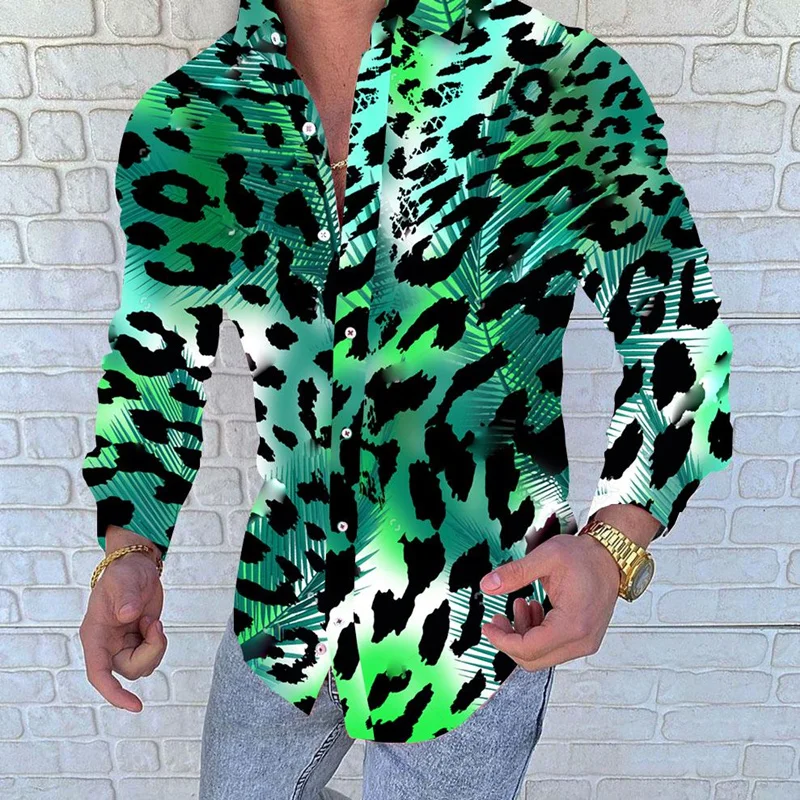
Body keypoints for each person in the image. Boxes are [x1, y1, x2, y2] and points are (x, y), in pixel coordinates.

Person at [79, 0, 734, 797]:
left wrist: (614, 546)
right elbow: (153, 368)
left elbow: (676, 332)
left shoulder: (555, 81)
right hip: (284, 603)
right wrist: (131, 553)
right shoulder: (193, 115)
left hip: (481, 626)